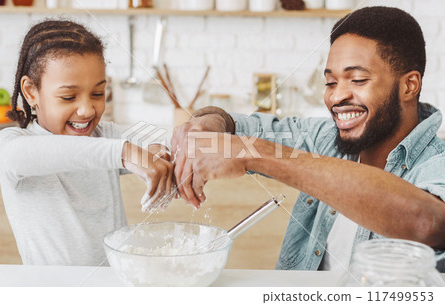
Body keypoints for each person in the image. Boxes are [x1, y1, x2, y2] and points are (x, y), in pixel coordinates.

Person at [171, 6, 445, 271]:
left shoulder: (438, 162)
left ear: (409, 85)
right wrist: (207, 123)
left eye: (358, 80)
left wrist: (251, 153)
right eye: (331, 83)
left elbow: (426, 221)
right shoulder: (323, 139)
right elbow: (232, 124)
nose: (336, 97)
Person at [0, 20, 173, 266]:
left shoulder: (104, 136)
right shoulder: (12, 145)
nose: (87, 110)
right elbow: (45, 154)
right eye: (69, 96)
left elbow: (167, 139)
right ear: (31, 92)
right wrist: (124, 152)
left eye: (98, 94)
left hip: (115, 287)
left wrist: (156, 149)